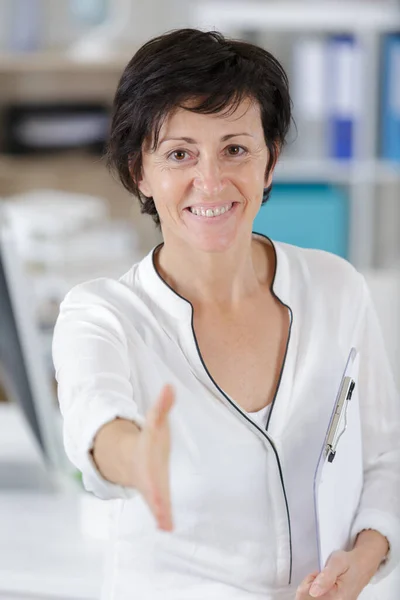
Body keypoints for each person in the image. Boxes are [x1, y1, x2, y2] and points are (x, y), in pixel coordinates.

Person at [52, 29, 400, 600]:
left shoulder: (336, 288)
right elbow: (95, 421)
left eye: (235, 149)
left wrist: (363, 557)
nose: (210, 181)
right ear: (140, 170)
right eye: (179, 154)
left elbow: (384, 456)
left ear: (270, 163)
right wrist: (136, 456)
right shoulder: (102, 314)